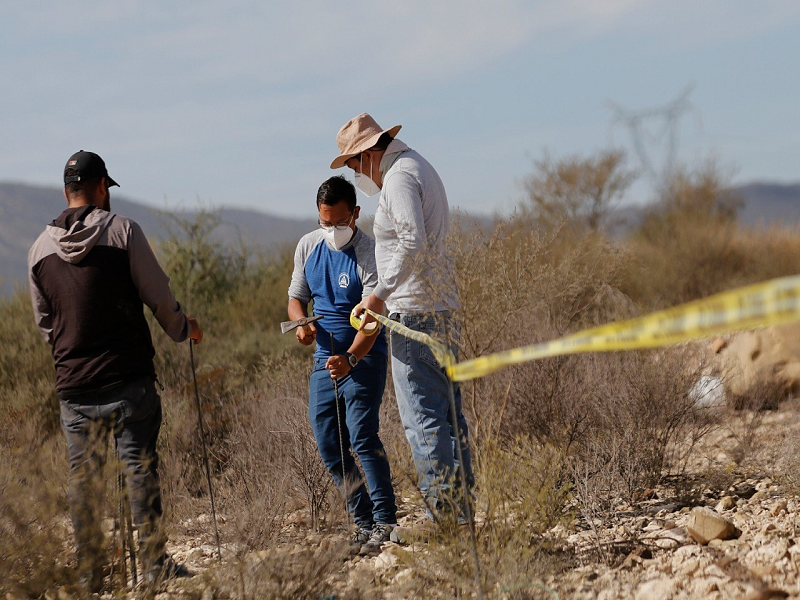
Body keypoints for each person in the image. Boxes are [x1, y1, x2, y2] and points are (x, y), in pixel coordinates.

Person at [28, 150, 203, 592]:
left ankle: (89, 574)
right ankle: (153, 566)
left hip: (74, 386)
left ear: (67, 191)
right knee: (139, 469)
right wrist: (184, 328)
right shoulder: (124, 231)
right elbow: (158, 296)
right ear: (102, 186)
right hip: (128, 379)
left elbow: (44, 323)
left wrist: (72, 352)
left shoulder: (38, 250)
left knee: (83, 480)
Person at [330, 113, 474, 523]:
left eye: (355, 164)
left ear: (368, 153)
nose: (357, 172)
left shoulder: (398, 178)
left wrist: (376, 297)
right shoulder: (418, 167)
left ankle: (444, 518)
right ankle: (462, 516)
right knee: (448, 417)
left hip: (415, 313)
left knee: (425, 420)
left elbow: (412, 241)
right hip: (441, 309)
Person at [287, 175, 397, 553]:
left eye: (338, 222)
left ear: (355, 214)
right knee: (330, 446)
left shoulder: (370, 251)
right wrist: (302, 325)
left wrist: (351, 357)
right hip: (323, 360)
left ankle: (385, 521)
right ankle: (362, 522)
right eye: (324, 222)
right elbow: (296, 299)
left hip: (362, 357)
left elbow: (372, 316)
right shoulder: (307, 246)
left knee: (363, 437)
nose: (331, 230)